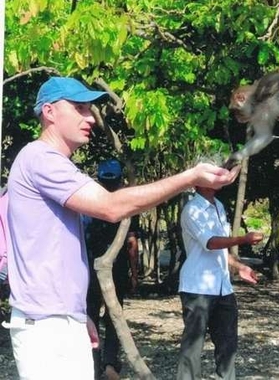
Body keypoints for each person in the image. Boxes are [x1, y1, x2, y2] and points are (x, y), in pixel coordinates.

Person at [4, 76, 240, 380]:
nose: (90, 117)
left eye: (90, 108)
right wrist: (190, 177)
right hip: (47, 326)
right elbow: (111, 207)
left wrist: (77, 314)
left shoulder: (50, 162)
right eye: (79, 108)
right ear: (49, 112)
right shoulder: (41, 159)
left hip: (58, 319)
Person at [177, 177, 264, 380]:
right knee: (193, 345)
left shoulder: (219, 206)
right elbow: (211, 243)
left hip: (222, 286)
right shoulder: (192, 210)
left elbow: (220, 249)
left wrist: (239, 266)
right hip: (198, 286)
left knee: (228, 344)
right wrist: (243, 239)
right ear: (198, 183)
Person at [85, 159, 140, 380]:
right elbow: (132, 244)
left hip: (90, 270)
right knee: (113, 317)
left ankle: (93, 364)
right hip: (115, 271)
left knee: (90, 318)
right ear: (120, 181)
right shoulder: (126, 205)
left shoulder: (88, 203)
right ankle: (110, 364)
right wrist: (134, 274)